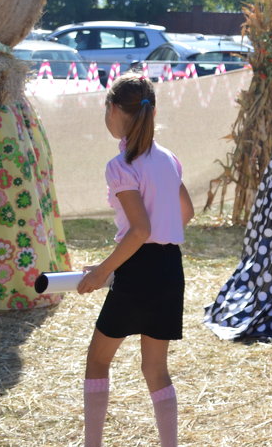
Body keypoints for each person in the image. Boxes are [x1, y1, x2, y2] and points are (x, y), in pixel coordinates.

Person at [77, 73, 194, 447]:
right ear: (152, 112)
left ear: (112, 110)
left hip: (138, 269)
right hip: (170, 269)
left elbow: (139, 231)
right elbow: (186, 212)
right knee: (156, 369)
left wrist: (102, 270)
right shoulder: (169, 159)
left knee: (97, 362)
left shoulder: (120, 166)